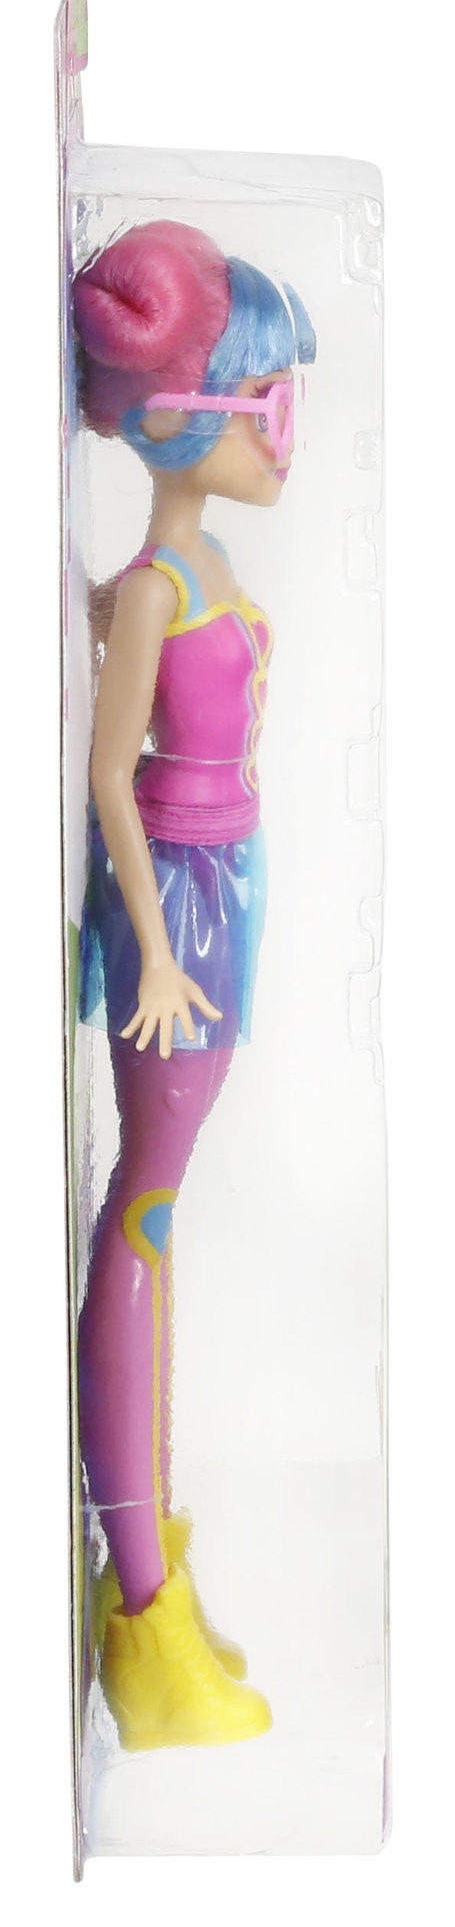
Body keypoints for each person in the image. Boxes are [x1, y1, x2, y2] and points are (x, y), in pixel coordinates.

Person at [74, 220, 316, 1749]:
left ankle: (156, 1573)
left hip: (227, 893)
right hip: (177, 908)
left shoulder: (187, 568)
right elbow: (112, 772)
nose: (288, 430)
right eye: (270, 398)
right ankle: (143, 1618)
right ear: (186, 416)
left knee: (166, 1219)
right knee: (145, 1220)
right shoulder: (167, 581)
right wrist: (152, 948)